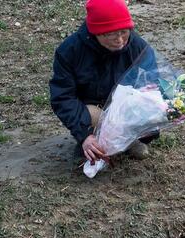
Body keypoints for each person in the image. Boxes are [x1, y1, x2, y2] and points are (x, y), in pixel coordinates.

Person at [50, 0, 157, 164]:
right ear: (95, 32)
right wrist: (84, 135)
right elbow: (63, 97)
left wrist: (156, 115)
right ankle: (93, 140)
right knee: (88, 119)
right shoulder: (70, 51)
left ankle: (130, 140)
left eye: (124, 31)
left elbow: (152, 84)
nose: (120, 39)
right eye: (110, 34)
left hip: (126, 108)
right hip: (93, 110)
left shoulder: (138, 47)